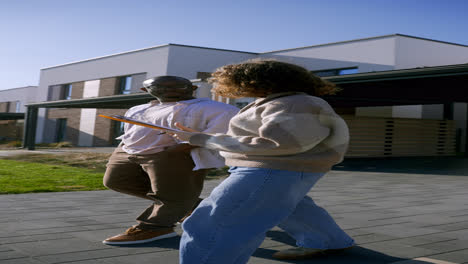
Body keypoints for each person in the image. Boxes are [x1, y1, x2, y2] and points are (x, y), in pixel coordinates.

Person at [172, 60, 355, 263]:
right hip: (282, 169)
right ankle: (328, 241)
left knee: (214, 225)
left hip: (269, 169)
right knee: (293, 208)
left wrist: (202, 139)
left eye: (239, 82)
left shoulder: (294, 103)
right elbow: (272, 138)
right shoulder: (287, 102)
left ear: (258, 81)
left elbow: (278, 143)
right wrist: (200, 136)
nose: (237, 87)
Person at [102, 75, 239, 245]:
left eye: (179, 87)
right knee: (115, 181)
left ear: (193, 89)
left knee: (174, 194)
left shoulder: (216, 108)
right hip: (128, 151)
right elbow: (130, 130)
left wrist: (178, 149)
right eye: (161, 88)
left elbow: (223, 134)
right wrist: (122, 147)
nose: (171, 91)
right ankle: (191, 206)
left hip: (175, 154)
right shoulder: (137, 109)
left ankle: (155, 228)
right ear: (146, 91)